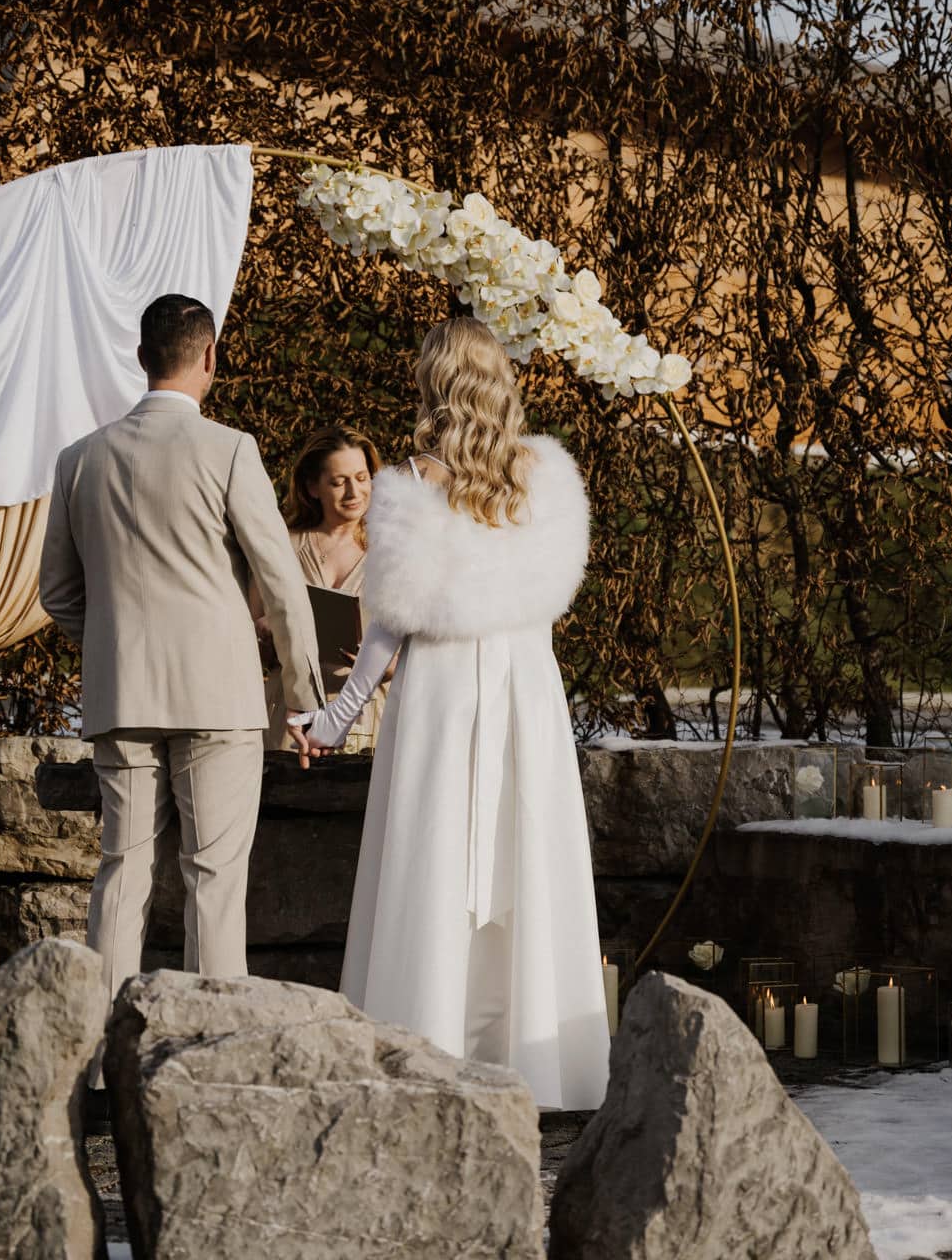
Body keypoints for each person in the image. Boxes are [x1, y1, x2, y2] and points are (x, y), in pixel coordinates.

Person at [289, 316, 610, 1111]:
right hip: (524, 686)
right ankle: (539, 1065)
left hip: (443, 689)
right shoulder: (545, 477)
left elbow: (387, 623)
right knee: (524, 854)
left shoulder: (410, 482)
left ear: (435, 384)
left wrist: (336, 718)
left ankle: (426, 1048)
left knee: (432, 855)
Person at [39, 294, 326, 1014]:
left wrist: (114, 646)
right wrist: (302, 698)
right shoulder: (229, 449)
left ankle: (99, 1044)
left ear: (141, 357)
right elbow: (282, 583)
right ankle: (207, 1041)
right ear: (210, 357)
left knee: (122, 870)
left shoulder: (79, 459)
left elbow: (59, 594)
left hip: (122, 694)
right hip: (218, 695)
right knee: (214, 877)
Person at [255, 426, 392, 753]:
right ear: (312, 487)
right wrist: (266, 631)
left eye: (362, 478)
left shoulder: (393, 551)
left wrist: (387, 666)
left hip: (368, 720)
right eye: (338, 482)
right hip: (288, 719)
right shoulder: (282, 546)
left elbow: (421, 644)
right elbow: (249, 635)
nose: (354, 492)